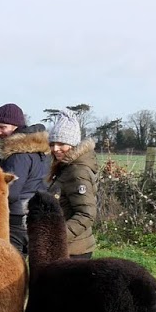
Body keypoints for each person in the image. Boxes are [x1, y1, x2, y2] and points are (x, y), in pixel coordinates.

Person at [0, 102, 50, 254]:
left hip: (16, 220)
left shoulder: (17, 155)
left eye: (2, 127)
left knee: (11, 269)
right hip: (37, 217)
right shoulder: (40, 152)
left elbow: (10, 192)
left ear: (15, 126)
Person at [46, 110, 98, 258]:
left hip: (73, 251)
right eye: (52, 144)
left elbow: (86, 214)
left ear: (73, 144)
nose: (55, 149)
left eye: (61, 143)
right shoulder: (64, 168)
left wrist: (57, 237)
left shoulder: (77, 171)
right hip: (66, 248)